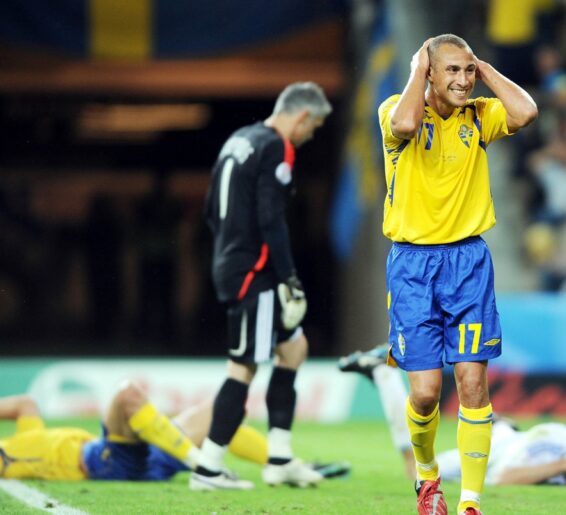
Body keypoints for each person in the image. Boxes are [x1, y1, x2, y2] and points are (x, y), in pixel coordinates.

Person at [378, 34, 538, 515]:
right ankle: (427, 476)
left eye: (467, 70)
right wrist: (417, 70)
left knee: (472, 382)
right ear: (428, 72)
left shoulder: (479, 115)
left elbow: (526, 112)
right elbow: (406, 124)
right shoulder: (394, 109)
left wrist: (483, 69)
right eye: (452, 70)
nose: (463, 80)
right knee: (426, 394)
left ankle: (470, 502)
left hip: (468, 263)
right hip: (412, 266)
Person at [192, 82, 332, 490]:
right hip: (256, 272)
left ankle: (280, 458)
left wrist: (228, 251)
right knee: (243, 366)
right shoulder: (276, 146)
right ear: (302, 116)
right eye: (313, 127)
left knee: (294, 349)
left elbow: (210, 208)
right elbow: (272, 218)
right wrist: (289, 278)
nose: (310, 136)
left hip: (231, 262)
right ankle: (208, 467)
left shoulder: (240, 139)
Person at [339, 346, 566, 488]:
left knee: (418, 468)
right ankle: (384, 373)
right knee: (416, 471)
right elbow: (505, 475)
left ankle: (382, 374)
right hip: (503, 443)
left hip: (512, 434)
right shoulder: (543, 455)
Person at [0, 382, 349, 483]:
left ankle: (286, 464)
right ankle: (201, 463)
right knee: (127, 394)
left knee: (224, 412)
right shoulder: (6, 456)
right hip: (103, 462)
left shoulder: (19, 437)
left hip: (144, 458)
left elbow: (25, 404)